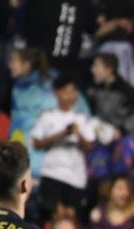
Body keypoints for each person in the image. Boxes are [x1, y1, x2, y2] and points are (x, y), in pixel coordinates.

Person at [8, 46, 90, 180]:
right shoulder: (18, 88)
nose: (10, 65)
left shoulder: (53, 85)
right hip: (27, 160)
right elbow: (17, 125)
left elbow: (78, 111)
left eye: (13, 61)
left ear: (26, 64)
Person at [31, 74, 96, 220]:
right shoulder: (47, 117)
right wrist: (61, 135)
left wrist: (77, 134)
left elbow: (90, 146)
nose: (70, 95)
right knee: (52, 217)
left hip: (76, 177)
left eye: (73, 91)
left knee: (71, 218)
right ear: (56, 92)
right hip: (52, 174)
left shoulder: (82, 118)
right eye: (66, 90)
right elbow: (36, 143)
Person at [86, 53, 134, 141]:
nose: (93, 70)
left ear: (109, 70)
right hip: (101, 137)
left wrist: (122, 130)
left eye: (96, 66)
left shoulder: (126, 91)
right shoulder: (94, 89)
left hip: (123, 139)